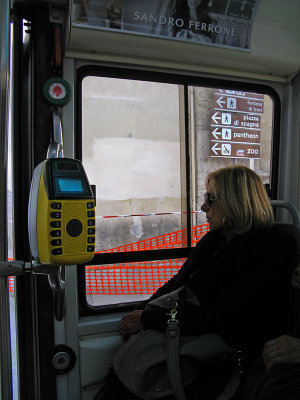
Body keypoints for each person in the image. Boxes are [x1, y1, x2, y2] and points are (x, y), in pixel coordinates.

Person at [94, 165, 297, 400]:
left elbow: (221, 316)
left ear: (234, 202)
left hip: (220, 355)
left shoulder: (268, 252)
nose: (203, 207)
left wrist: (149, 319)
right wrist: (145, 310)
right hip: (189, 334)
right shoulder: (216, 241)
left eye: (210, 199)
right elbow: (179, 284)